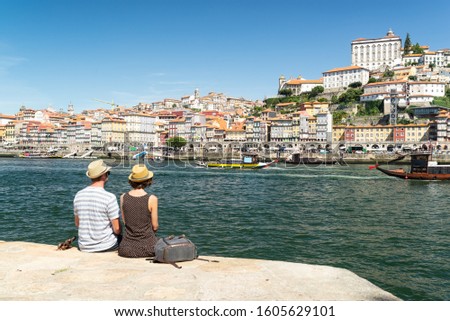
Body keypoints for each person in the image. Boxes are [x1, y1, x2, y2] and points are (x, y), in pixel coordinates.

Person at [74, 159, 121, 252]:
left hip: (84, 246)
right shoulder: (109, 197)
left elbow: (77, 224)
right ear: (104, 175)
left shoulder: (78, 195)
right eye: (108, 173)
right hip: (106, 246)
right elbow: (117, 229)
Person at [118, 164, 159, 258]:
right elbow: (155, 226)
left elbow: (125, 222)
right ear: (148, 181)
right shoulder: (152, 199)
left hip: (125, 248)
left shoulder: (123, 197)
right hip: (148, 248)